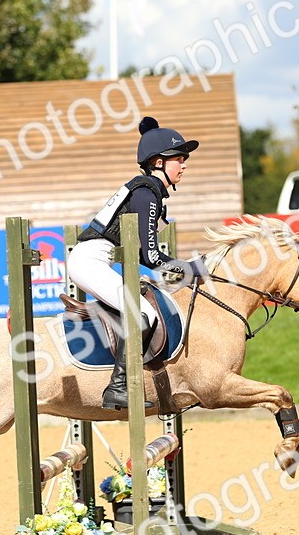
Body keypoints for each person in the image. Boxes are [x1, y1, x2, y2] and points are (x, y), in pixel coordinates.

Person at [68, 116, 209, 410]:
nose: (184, 165)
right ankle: (117, 387)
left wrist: (184, 269)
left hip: (94, 260)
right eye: (178, 159)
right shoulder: (146, 194)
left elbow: (146, 256)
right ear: (158, 162)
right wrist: (192, 269)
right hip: (90, 261)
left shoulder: (146, 191)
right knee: (144, 314)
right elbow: (152, 257)